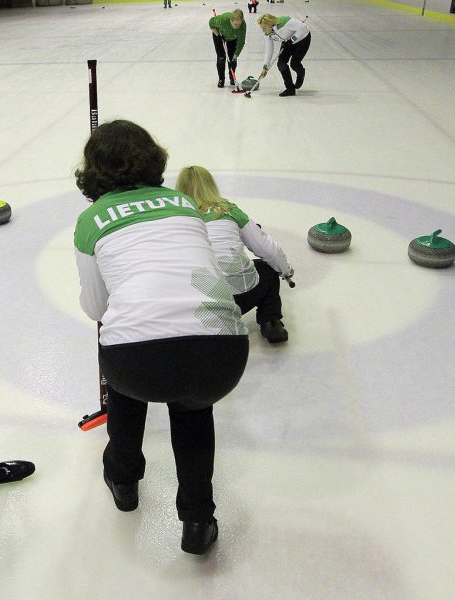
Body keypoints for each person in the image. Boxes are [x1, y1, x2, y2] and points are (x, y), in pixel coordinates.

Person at [74, 120, 249, 555]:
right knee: (192, 410)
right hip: (222, 351)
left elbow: (97, 309)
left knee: (128, 370)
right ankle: (197, 521)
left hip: (137, 363)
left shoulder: (91, 219)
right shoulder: (184, 204)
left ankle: (124, 478)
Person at [176, 165, 294, 343]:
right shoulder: (228, 211)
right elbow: (269, 250)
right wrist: (285, 271)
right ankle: (271, 322)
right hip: (238, 298)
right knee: (266, 268)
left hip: (196, 304)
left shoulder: (174, 217)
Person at [257, 13, 311, 97]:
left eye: (264, 28)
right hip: (288, 41)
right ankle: (290, 89)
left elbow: (303, 27)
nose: (263, 31)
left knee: (294, 64)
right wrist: (265, 67)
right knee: (281, 63)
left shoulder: (285, 22)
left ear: (270, 23)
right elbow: (269, 50)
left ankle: (301, 73)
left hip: (303, 38)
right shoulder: (268, 34)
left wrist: (293, 39)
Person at [209, 9, 246, 88]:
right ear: (231, 20)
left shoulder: (242, 26)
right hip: (219, 36)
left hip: (233, 39)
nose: (237, 26)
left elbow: (241, 43)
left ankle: (232, 77)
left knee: (232, 59)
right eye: (235, 24)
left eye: (239, 24)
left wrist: (235, 57)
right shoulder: (222, 20)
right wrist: (218, 35)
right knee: (221, 58)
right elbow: (211, 23)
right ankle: (221, 79)